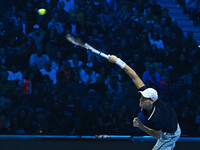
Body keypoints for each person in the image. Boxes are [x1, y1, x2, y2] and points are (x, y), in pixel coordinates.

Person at [108, 54, 181, 150]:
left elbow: (158, 136)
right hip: (170, 126)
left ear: (152, 101)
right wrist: (117, 60)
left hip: (169, 136)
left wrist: (140, 126)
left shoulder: (157, 117)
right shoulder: (153, 99)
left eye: (144, 98)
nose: (141, 99)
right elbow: (134, 76)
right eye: (142, 96)